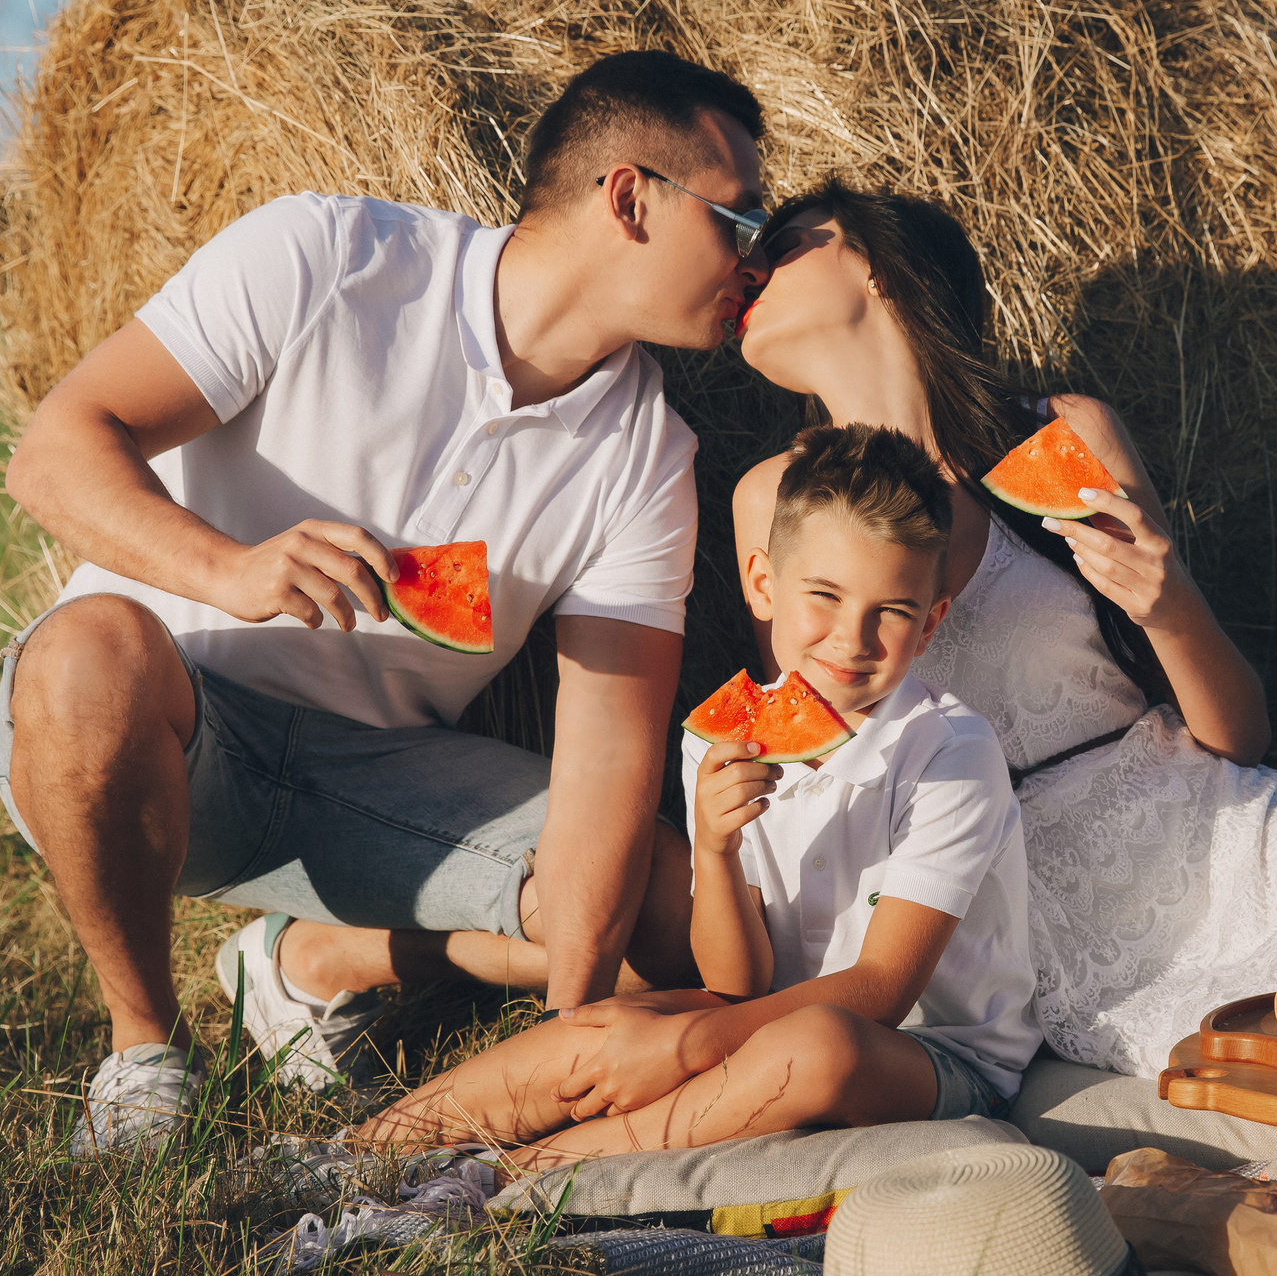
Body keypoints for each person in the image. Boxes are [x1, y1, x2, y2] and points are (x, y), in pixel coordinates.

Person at [0, 50, 772, 1155]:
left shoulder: (647, 455)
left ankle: (306, 960)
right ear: (631, 197)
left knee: (668, 905)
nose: (756, 262)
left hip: (379, 787)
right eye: (737, 222)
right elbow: (53, 454)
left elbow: (608, 759)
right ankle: (146, 1051)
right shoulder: (327, 254)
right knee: (86, 652)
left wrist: (565, 1036)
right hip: (160, 735)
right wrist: (232, 571)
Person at [730, 180, 1277, 1078]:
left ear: (873, 265)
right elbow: (815, 762)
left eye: (781, 245)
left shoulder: (1065, 433)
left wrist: (1171, 607)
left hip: (1217, 829)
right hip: (1010, 895)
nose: (747, 267)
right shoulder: (771, 501)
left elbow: (1240, 735)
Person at [354, 424, 1037, 1159]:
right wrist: (713, 850)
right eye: (825, 596)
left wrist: (690, 1042)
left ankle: (538, 1168)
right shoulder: (720, 736)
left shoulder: (953, 754)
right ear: (763, 584)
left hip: (933, 1056)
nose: (852, 638)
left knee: (820, 1044)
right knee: (601, 1028)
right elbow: (738, 981)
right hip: (763, 1013)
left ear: (930, 624)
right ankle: (354, 1154)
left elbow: (881, 990)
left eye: (891, 613)